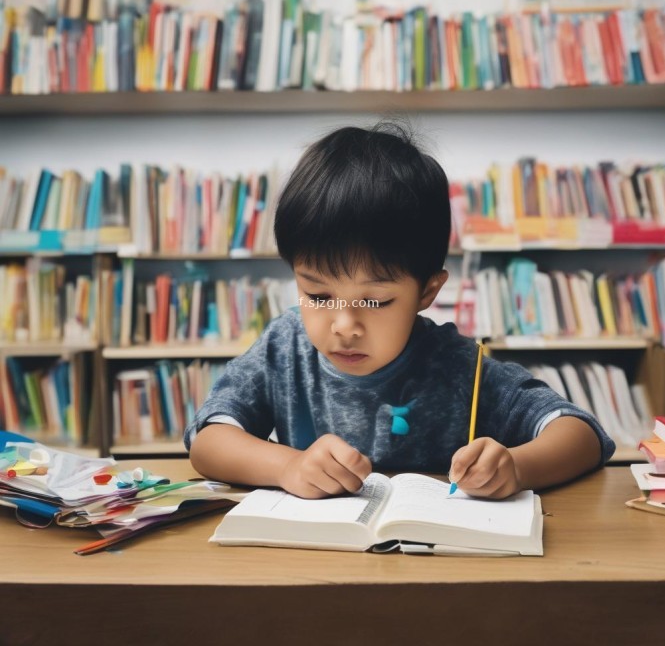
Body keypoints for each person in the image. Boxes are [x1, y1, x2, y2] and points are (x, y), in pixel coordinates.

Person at [185, 122, 615, 499]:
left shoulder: (457, 365)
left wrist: (518, 468)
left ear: (427, 292)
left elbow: (581, 435)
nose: (344, 325)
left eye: (375, 301)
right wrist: (287, 467)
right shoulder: (284, 348)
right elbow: (208, 441)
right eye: (317, 296)